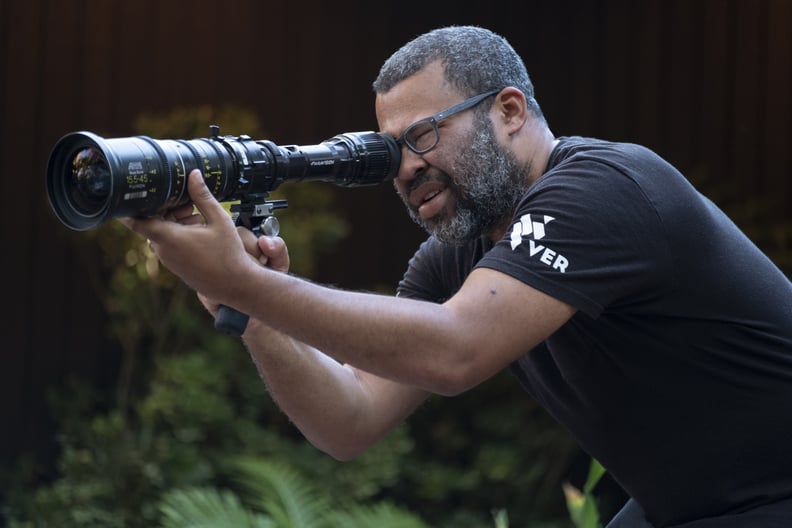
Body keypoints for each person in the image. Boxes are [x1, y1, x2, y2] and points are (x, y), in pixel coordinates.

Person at [121, 26, 792, 528]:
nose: (406, 168)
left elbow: (455, 349)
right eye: (392, 152)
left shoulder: (605, 187)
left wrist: (247, 284)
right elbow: (350, 421)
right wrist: (259, 317)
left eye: (423, 135)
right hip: (691, 505)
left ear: (508, 111)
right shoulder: (460, 252)